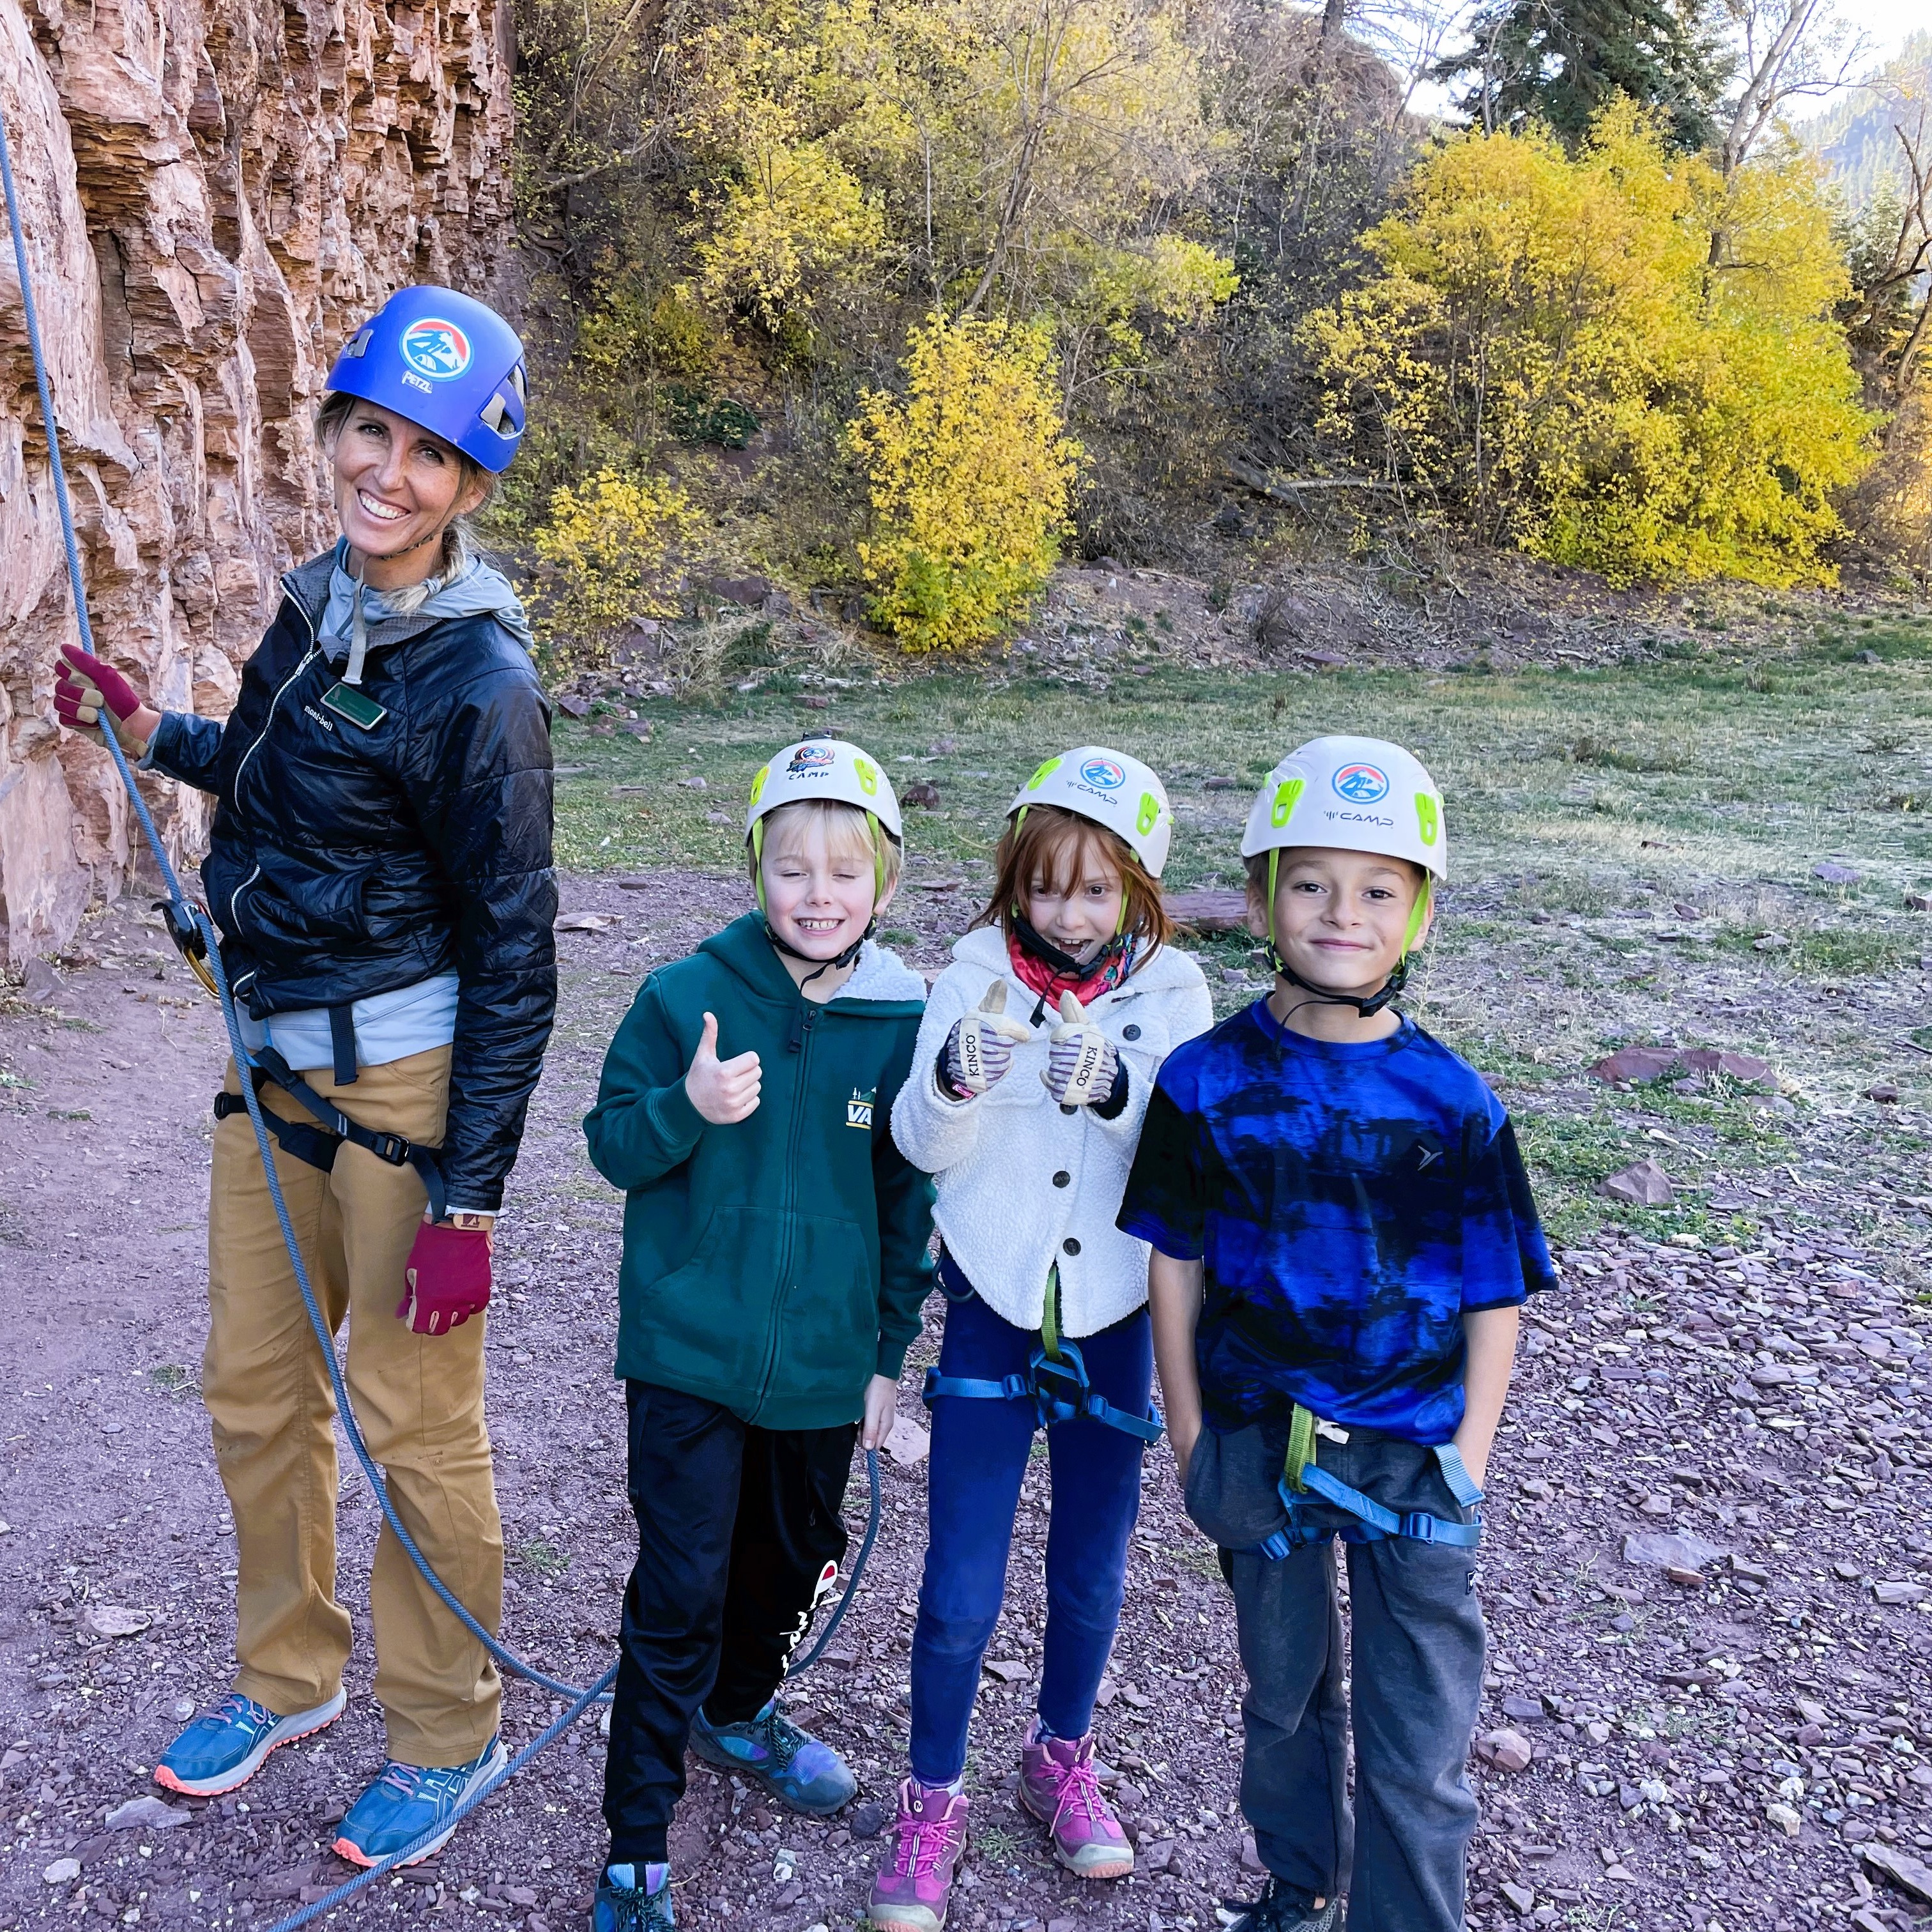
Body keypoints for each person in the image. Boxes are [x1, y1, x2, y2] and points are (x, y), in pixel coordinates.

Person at [51, 285, 554, 1867]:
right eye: (367, 433)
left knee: (413, 1423)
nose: (386, 473)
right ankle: (291, 1676)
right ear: (332, 433)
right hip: (267, 1078)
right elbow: (275, 791)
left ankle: (449, 1727)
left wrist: (471, 1199)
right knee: (257, 1398)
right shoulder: (319, 603)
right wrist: (160, 731)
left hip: (404, 1111)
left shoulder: (482, 688)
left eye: (426, 454)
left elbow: (519, 961)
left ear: (469, 487)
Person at [1117, 736, 1557, 1932]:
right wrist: (1191, 1434)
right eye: (1311, 884)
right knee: (1284, 1698)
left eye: (1377, 890)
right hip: (1258, 1442)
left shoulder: (1453, 1103)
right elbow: (1176, 1258)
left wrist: (1471, 1453)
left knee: (1420, 1733)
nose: (1341, 914)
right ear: (1261, 896)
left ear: (1418, 913)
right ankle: (1298, 1884)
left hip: (1413, 1456)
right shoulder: (1205, 1080)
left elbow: (1494, 1290)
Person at [582, 737, 935, 1931]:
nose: (819, 893)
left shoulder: (904, 1018)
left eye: (845, 870)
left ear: (884, 884)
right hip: (688, 1354)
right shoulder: (685, 996)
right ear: (755, 870)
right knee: (680, 1585)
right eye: (793, 867)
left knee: (791, 1563)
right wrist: (686, 1106)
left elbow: (907, 1198)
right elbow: (611, 1143)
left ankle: (740, 1710)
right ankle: (636, 1847)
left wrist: (887, 1358)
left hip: (828, 1371)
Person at [871, 749, 1213, 1932]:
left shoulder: (1175, 996)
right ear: (1016, 883)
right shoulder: (967, 976)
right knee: (961, 1580)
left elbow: (1191, 1165)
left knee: (1091, 1568)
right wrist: (958, 1079)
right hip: (992, 1301)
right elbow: (923, 1145)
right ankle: (932, 1793)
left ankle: (1060, 1754)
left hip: (1115, 1316)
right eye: (1047, 887)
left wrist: (1121, 1088)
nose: (1069, 914)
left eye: (1096, 891)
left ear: (1139, 894)